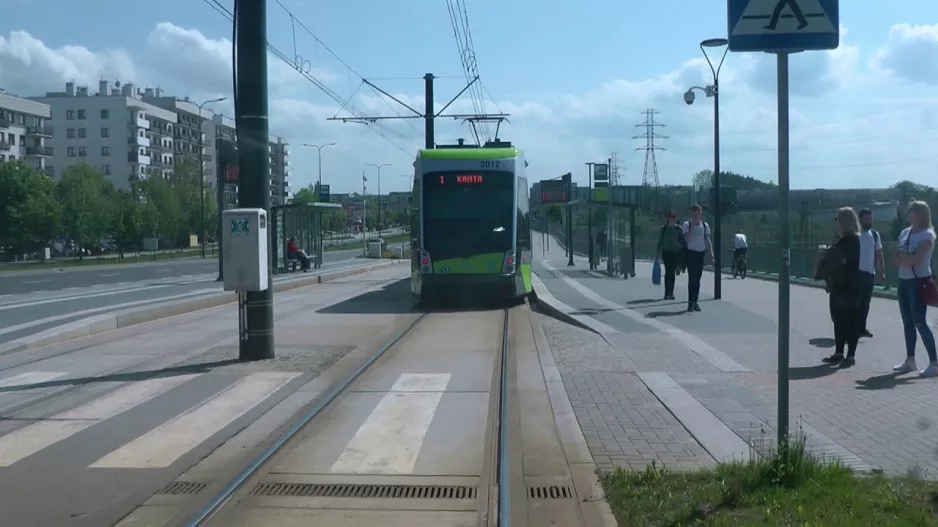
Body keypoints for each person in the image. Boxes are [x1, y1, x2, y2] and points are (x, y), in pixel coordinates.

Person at [891, 200, 937, 377]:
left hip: (918, 281)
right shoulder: (905, 232)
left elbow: (916, 260)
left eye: (912, 211)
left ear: (920, 214)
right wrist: (905, 259)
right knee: (907, 322)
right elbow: (894, 258)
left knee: (920, 321)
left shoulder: (927, 234)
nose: (909, 214)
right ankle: (910, 360)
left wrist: (904, 259)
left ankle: (934, 362)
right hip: (903, 280)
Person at [821, 207, 862, 366]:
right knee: (839, 318)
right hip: (841, 283)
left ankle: (850, 354)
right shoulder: (843, 239)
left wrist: (830, 254)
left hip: (847, 284)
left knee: (848, 319)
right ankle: (839, 352)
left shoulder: (850, 240)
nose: (836, 222)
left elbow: (845, 261)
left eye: (837, 219)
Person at [857, 209, 886, 338]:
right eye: (866, 219)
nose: (869, 222)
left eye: (871, 219)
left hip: (869, 273)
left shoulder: (875, 235)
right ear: (860, 220)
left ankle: (861, 328)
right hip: (856, 273)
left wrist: (882, 271)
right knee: (855, 303)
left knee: (865, 303)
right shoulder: (854, 234)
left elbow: (878, 253)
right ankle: (852, 328)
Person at [682, 204, 713, 312]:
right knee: (692, 278)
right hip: (691, 253)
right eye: (695, 213)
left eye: (699, 213)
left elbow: (707, 240)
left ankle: (696, 301)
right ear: (692, 213)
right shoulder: (687, 224)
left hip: (701, 253)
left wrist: (711, 253)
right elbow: (687, 239)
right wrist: (693, 227)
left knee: (698, 278)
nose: (697, 215)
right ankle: (690, 302)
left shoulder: (705, 225)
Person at [656, 211, 683, 300]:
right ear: (668, 219)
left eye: (674, 218)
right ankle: (667, 293)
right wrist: (657, 254)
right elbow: (660, 242)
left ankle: (671, 292)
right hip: (666, 252)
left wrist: (680, 249)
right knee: (668, 272)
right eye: (671, 218)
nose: (673, 220)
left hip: (675, 252)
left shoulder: (679, 229)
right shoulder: (664, 229)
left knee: (672, 273)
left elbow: (682, 241)